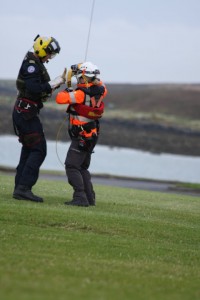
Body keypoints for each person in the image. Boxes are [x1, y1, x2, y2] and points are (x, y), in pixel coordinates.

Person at [12, 35, 66, 202]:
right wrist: (55, 82)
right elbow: (35, 88)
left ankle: (20, 187)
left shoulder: (34, 64)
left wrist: (58, 82)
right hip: (26, 113)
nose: (50, 57)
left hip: (25, 112)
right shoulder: (32, 66)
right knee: (38, 149)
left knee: (29, 148)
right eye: (50, 54)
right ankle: (23, 188)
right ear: (43, 50)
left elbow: (40, 91)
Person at [56, 62, 107, 207]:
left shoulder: (79, 94)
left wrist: (69, 87)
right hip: (92, 135)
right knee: (82, 167)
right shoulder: (102, 91)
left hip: (81, 136)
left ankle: (80, 197)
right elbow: (100, 84)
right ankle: (89, 198)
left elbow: (60, 98)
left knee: (72, 166)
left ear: (84, 77)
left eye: (79, 76)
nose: (77, 78)